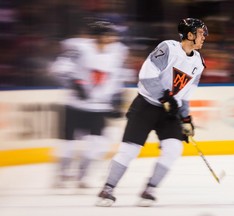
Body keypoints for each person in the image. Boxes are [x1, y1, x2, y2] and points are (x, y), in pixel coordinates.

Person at [96, 17, 208, 206]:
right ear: (189, 35)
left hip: (169, 111)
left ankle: (149, 189)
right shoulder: (168, 48)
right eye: (201, 33)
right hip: (146, 105)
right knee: (129, 150)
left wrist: (186, 118)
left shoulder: (198, 62)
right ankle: (107, 189)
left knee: (174, 149)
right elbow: (146, 76)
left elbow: (186, 95)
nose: (204, 37)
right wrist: (165, 98)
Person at [50, 20, 129, 188]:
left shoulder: (117, 53)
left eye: (112, 35)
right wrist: (75, 83)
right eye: (107, 34)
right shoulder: (79, 48)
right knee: (68, 144)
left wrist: (118, 98)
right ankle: (62, 172)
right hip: (75, 106)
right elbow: (60, 68)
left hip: (99, 108)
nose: (111, 38)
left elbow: (118, 77)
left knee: (98, 144)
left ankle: (83, 174)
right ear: (96, 36)